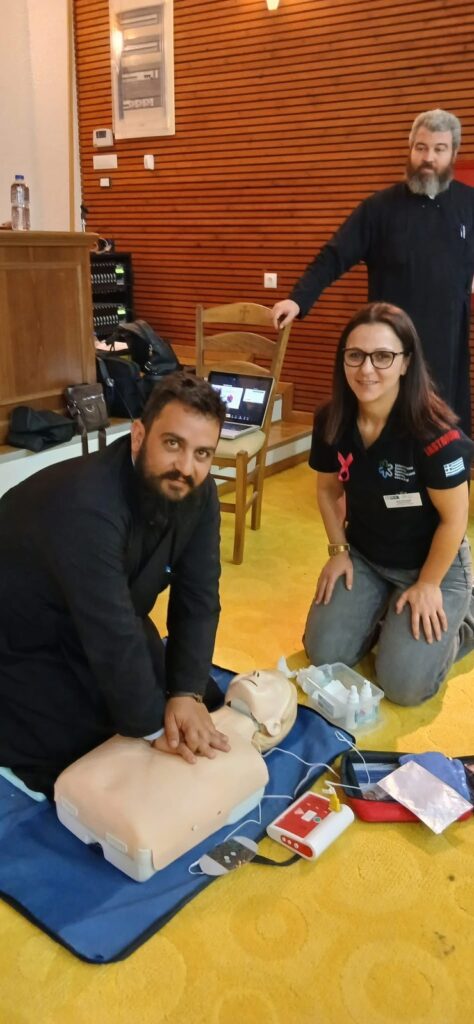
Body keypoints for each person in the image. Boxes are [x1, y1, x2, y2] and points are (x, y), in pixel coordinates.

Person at [0, 372, 231, 798]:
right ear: (139, 436)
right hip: (23, 632)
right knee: (82, 745)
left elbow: (199, 596)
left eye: (202, 453)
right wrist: (153, 731)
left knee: (196, 698)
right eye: (173, 444)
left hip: (106, 608)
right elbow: (109, 630)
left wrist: (186, 693)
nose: (186, 468)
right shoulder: (88, 504)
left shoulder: (199, 493)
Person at [303, 302, 474, 706]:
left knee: (403, 686)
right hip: (366, 555)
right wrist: (338, 551)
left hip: (432, 564)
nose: (367, 369)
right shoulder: (331, 420)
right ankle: (386, 608)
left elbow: (455, 519)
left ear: (405, 362)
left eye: (383, 356)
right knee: (324, 654)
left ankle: (464, 618)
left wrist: (428, 584)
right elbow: (328, 490)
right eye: (355, 355)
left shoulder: (435, 435)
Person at [272, 109, 474, 435]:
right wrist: (298, 299)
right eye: (421, 147)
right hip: (388, 343)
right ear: (410, 149)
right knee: (388, 429)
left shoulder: (469, 205)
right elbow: (334, 255)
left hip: (446, 342)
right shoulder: (379, 208)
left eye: (439, 149)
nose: (428, 158)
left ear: (453, 153)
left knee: (441, 431)